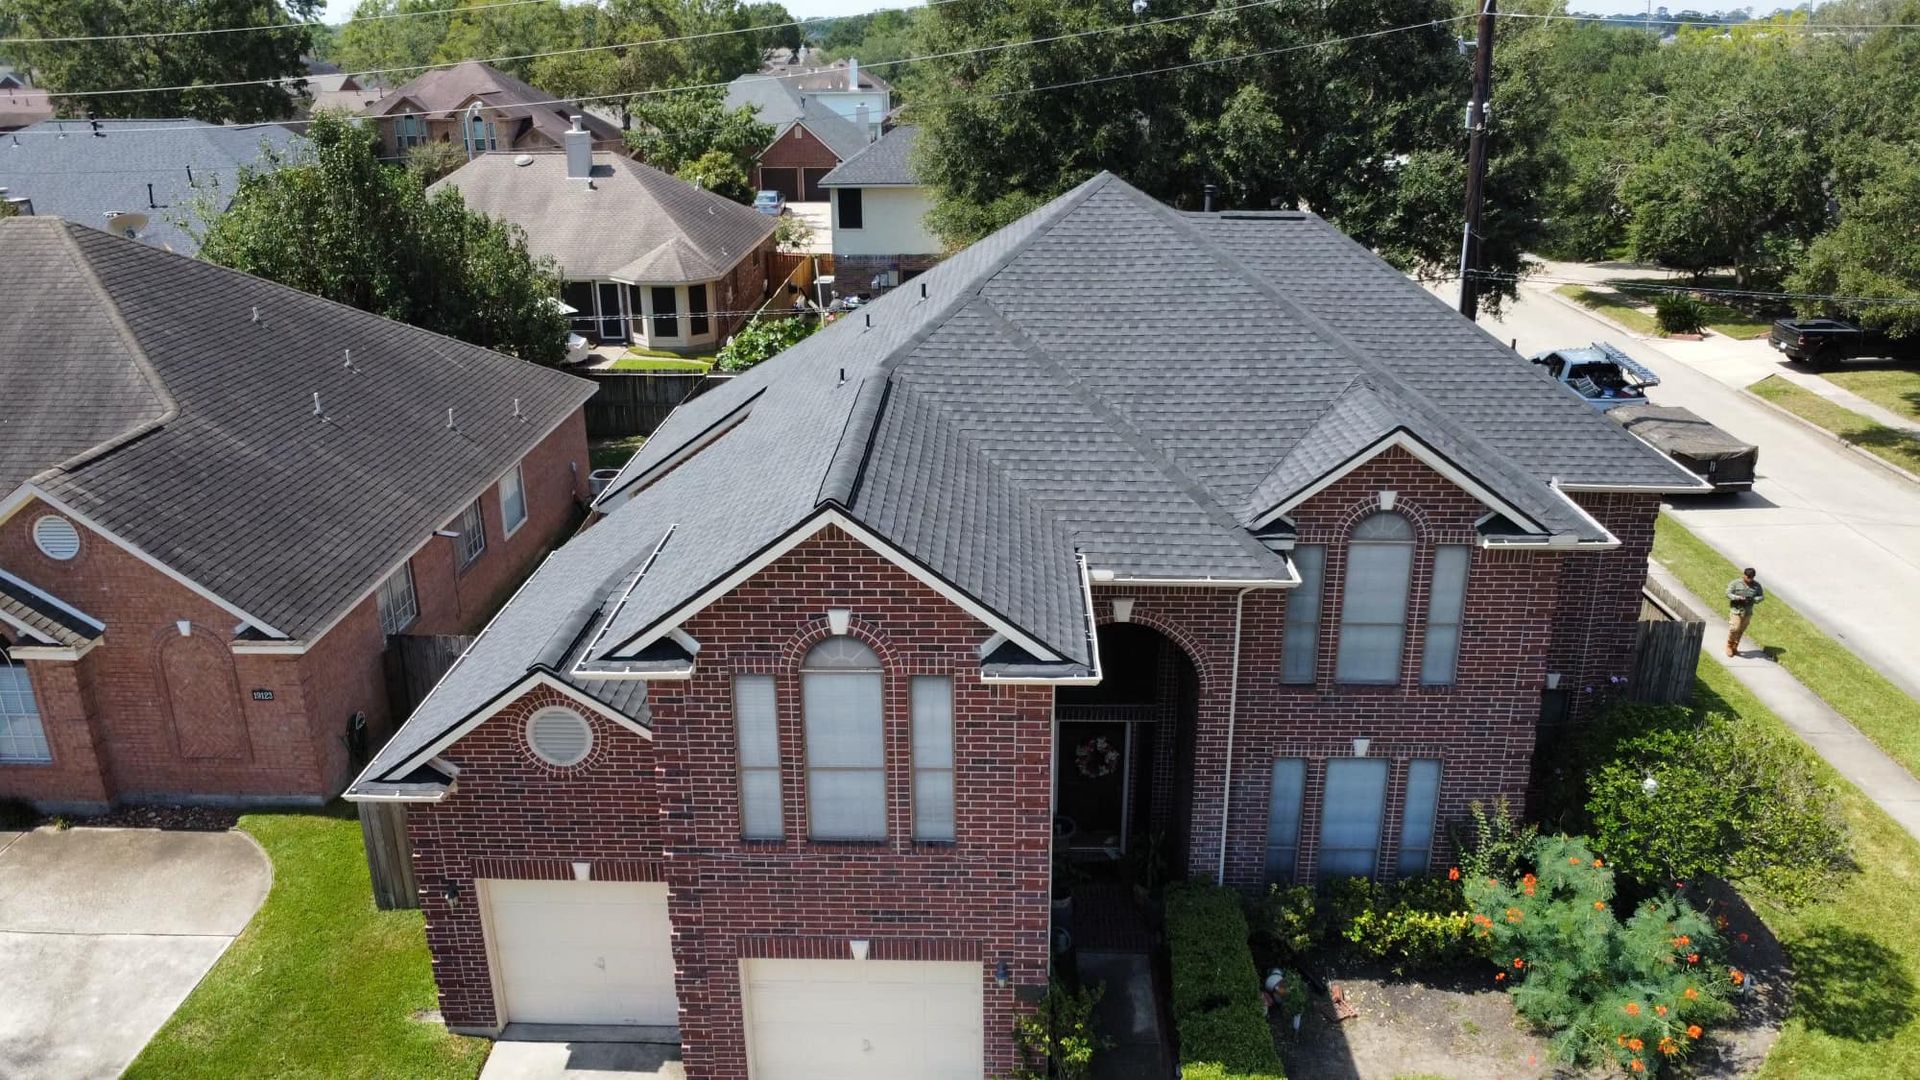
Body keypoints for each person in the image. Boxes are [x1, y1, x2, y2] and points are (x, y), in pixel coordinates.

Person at [1726, 567, 1765, 656]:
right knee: (1734, 628)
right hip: (1736, 610)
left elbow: (1762, 597)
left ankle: (1735, 646)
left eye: (1751, 577)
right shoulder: (1735, 583)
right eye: (1748, 576)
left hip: (1747, 611)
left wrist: (1754, 599)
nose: (1749, 579)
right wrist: (1738, 598)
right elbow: (1728, 593)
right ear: (1744, 575)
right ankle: (1729, 645)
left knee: (1741, 630)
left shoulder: (1756, 586)